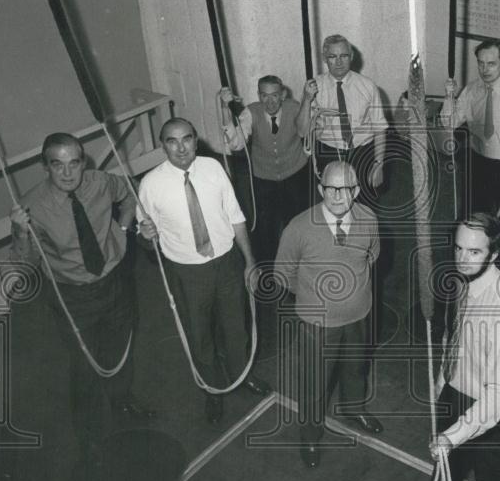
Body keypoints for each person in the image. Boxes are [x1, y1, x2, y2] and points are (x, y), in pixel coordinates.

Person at [10, 132, 153, 481]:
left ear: (83, 162)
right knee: (85, 369)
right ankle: (89, 441)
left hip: (114, 283)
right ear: (45, 167)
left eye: (74, 163)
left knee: (121, 349)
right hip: (72, 296)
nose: (67, 173)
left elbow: (129, 191)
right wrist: (19, 232)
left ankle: (121, 400)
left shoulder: (101, 181)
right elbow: (25, 264)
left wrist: (122, 228)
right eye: (57, 165)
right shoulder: (31, 206)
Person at [138, 118, 269, 425]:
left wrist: (249, 262)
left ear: (196, 140)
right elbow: (146, 240)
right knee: (199, 335)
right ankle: (212, 388)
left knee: (236, 325)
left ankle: (241, 375)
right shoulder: (150, 185)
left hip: (227, 263)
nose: (181, 147)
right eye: (172, 141)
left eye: (187, 139)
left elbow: (236, 217)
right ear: (163, 145)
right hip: (186, 272)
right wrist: (145, 236)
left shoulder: (213, 168)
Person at [402, 213, 500, 481]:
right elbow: (453, 333)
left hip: (494, 405)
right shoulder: (462, 278)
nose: (462, 259)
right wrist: (442, 378)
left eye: (474, 252)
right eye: (458, 249)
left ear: (494, 255)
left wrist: (452, 436)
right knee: (445, 464)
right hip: (458, 383)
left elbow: (495, 399)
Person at [273, 161, 384, 469]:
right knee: (314, 382)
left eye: (346, 189)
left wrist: (351, 294)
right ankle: (309, 434)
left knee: (355, 368)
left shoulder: (369, 219)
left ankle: (353, 408)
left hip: (359, 314)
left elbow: (371, 257)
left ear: (357, 191)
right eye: (331, 188)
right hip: (316, 323)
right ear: (321, 189)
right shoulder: (298, 227)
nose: (338, 196)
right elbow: (282, 274)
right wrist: (314, 297)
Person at [439, 40, 500, 248]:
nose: (484, 69)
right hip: (477, 160)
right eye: (480, 63)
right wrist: (449, 96)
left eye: (491, 63)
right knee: (471, 213)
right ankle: (468, 255)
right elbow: (449, 123)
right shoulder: (472, 90)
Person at [219, 75, 312, 260]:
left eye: (275, 96)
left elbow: (304, 131)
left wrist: (307, 99)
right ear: (258, 96)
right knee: (265, 228)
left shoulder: (295, 107)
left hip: (295, 173)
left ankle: (300, 261)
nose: (269, 102)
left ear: (283, 94)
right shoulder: (250, 112)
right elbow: (236, 144)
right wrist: (225, 108)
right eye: (264, 96)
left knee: (297, 222)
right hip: (264, 178)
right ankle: (267, 271)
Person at [299, 34, 388, 205]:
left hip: (362, 153)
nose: (338, 62)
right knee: (334, 204)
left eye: (344, 56)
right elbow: (301, 131)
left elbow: (380, 128)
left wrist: (379, 163)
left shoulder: (368, 86)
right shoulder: (314, 87)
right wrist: (306, 99)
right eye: (332, 57)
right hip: (330, 152)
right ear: (325, 59)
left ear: (352, 57)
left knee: (363, 203)